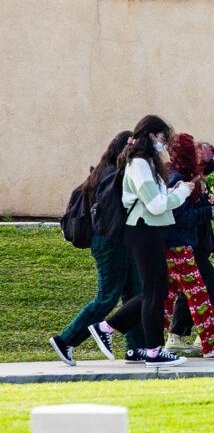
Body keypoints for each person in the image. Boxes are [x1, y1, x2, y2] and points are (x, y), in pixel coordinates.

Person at [86, 115, 194, 367]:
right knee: (153, 291)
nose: (164, 143)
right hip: (143, 229)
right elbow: (155, 205)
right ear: (150, 135)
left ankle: (107, 328)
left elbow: (156, 198)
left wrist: (175, 192)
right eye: (162, 138)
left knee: (156, 290)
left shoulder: (145, 163)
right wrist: (181, 193)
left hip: (150, 230)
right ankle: (153, 350)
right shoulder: (139, 164)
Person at [49, 131, 146, 366]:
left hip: (120, 242)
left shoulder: (106, 173)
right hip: (111, 243)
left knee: (134, 292)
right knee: (107, 297)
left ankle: (137, 348)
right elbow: (113, 218)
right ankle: (66, 340)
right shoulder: (111, 175)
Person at [161, 133, 214, 358]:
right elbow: (181, 216)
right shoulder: (177, 179)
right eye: (194, 149)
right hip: (179, 247)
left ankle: (156, 342)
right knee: (202, 294)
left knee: (169, 298)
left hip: (182, 246)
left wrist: (211, 204)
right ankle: (210, 344)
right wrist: (209, 210)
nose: (198, 151)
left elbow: (187, 209)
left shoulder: (187, 179)